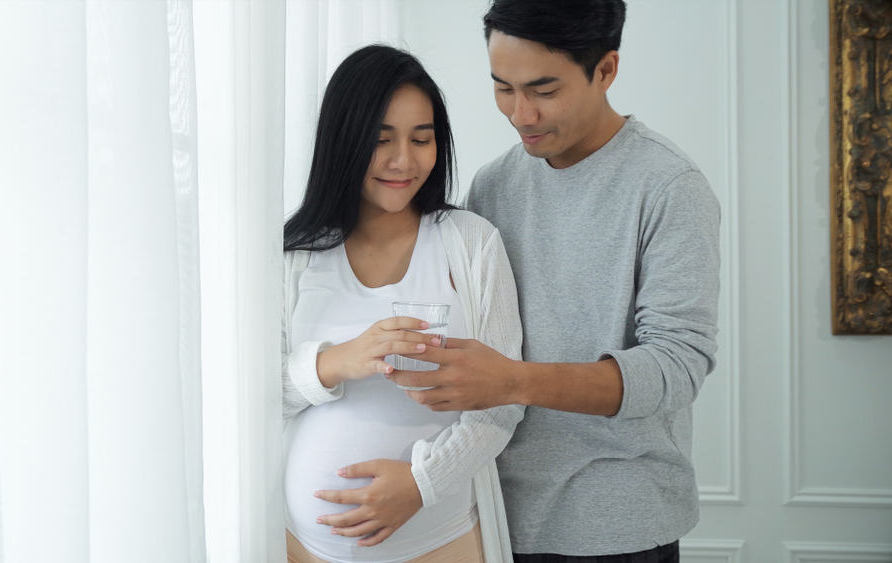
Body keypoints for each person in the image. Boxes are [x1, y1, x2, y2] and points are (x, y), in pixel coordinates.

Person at [388, 1, 721, 561]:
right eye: (502, 88)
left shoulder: (669, 187)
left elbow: (676, 366)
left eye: (544, 90)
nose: (521, 114)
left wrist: (515, 380)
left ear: (606, 70)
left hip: (619, 524)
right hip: (491, 513)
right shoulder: (492, 186)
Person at [282, 44, 524, 563]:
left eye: (422, 138)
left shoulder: (471, 242)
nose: (403, 161)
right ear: (343, 142)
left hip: (439, 542)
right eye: (380, 139)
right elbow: (251, 399)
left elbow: (504, 403)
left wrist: (421, 484)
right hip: (304, 548)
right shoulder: (295, 255)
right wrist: (332, 363)